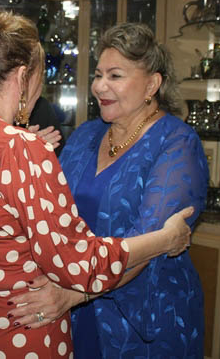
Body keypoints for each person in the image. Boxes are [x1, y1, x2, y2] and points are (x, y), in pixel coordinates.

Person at [0, 11, 194, 358]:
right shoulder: (18, 147)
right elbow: (81, 264)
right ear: (23, 76)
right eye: (40, 77)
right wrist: (166, 239)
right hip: (19, 332)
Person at [59, 23, 208, 358]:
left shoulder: (176, 142)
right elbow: (51, 213)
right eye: (98, 75)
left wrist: (69, 297)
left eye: (115, 75)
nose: (99, 86)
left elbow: (148, 242)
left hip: (146, 318)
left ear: (152, 84)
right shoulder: (85, 135)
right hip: (76, 308)